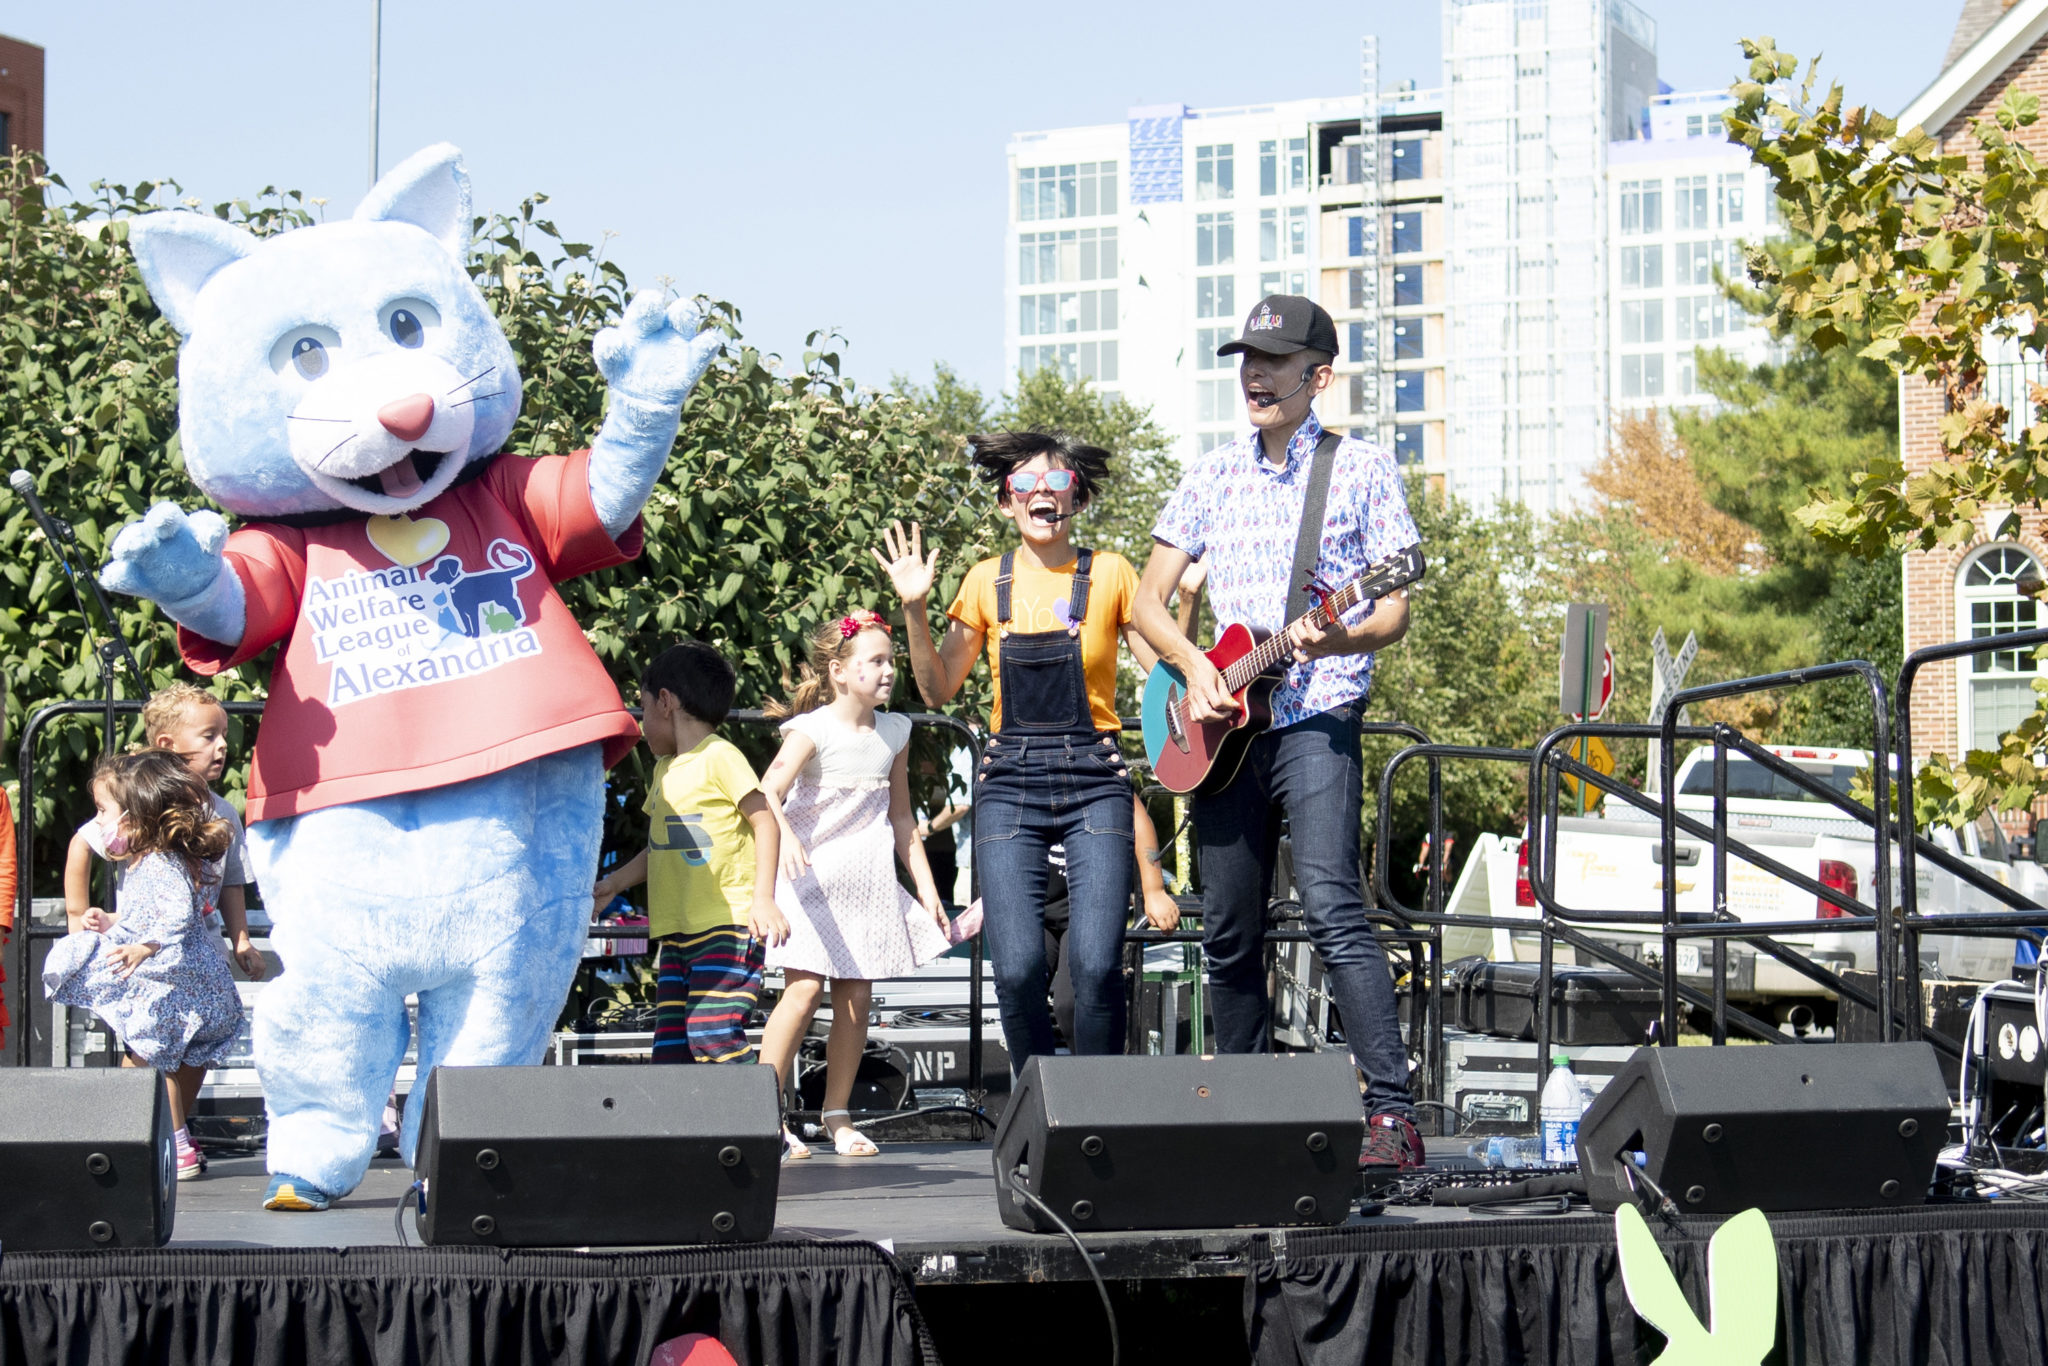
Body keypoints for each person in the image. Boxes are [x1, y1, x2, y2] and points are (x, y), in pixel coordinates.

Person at [1133, 294, 1426, 1169]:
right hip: (1221, 723)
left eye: (1273, 361)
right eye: (1245, 360)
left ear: (1319, 376)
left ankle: (1394, 1115)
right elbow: (1149, 602)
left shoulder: (1363, 469)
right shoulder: (1212, 473)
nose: (1254, 375)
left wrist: (1330, 632)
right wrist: (1194, 669)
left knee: (1334, 901)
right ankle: (1248, 1111)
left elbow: (1396, 605)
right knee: (1228, 927)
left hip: (1317, 706)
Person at [873, 430, 1172, 1072]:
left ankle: (1097, 1109)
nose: (1042, 494)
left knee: (1095, 965)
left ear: (1078, 500)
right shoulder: (986, 581)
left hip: (1096, 779)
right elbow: (934, 689)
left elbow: (1165, 672)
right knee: (1014, 969)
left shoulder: (1114, 574)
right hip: (1011, 783)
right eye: (1025, 485)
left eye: (1058, 483)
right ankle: (1041, 1104)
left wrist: (1194, 623)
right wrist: (915, 611)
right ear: (1007, 503)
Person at [755, 611, 951, 1158]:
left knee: (857, 996)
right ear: (839, 671)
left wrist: (927, 890)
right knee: (803, 991)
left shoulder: (896, 731)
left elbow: (902, 818)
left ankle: (836, 1113)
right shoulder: (811, 729)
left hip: (864, 881)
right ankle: (762, 1114)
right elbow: (767, 790)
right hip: (810, 877)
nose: (889, 671)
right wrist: (788, 838)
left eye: (892, 661)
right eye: (876, 661)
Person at [62, 684, 267, 1175]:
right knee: (148, 1046)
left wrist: (240, 937)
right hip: (153, 954)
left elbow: (231, 882)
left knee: (190, 1046)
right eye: (209, 735)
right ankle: (164, 1138)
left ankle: (169, 1134)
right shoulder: (136, 804)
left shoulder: (221, 811)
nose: (223, 745)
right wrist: (79, 917)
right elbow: (82, 844)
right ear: (170, 746)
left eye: (223, 734)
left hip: (192, 947)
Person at [592, 641, 788, 1065]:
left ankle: (753, 1126)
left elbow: (765, 821)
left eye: (642, 709)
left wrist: (763, 899)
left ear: (665, 702)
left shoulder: (720, 755)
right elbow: (662, 845)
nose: (641, 724)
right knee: (671, 1050)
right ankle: (690, 1133)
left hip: (724, 924)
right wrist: (614, 883)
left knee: (713, 1033)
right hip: (677, 932)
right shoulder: (665, 771)